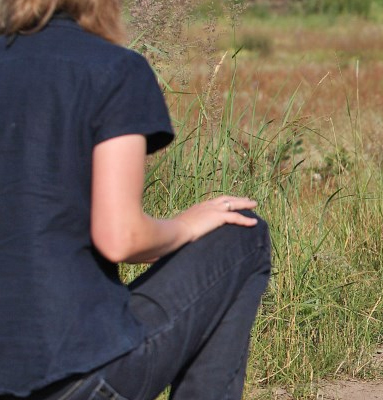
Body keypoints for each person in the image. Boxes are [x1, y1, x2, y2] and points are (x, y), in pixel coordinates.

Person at [0, 1, 272, 399]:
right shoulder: (112, 69)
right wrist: (186, 225)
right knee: (243, 233)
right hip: (74, 374)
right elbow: (121, 238)